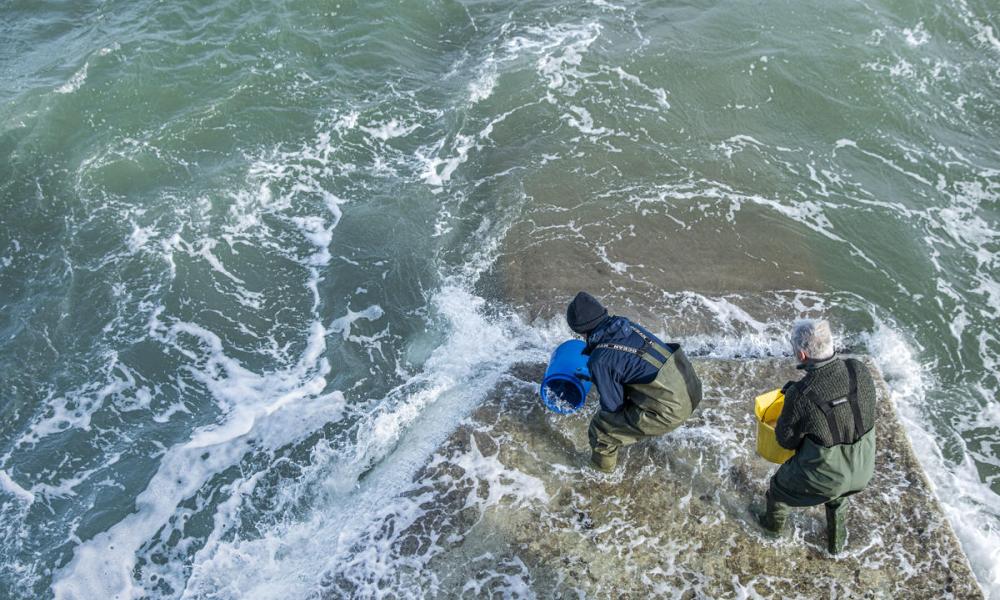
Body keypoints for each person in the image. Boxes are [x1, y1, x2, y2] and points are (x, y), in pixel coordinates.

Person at [752, 319, 877, 554]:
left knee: (778, 491)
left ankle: (770, 532)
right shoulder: (857, 369)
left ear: (801, 354)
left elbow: (785, 441)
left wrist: (792, 402)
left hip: (827, 477)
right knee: (839, 492)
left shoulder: (800, 395)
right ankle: (836, 543)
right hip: (863, 467)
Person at [565, 291, 703, 473]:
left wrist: (600, 377)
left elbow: (613, 407)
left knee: (602, 429)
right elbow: (627, 362)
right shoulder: (625, 325)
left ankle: (599, 475)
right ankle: (648, 425)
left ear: (580, 330)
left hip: (672, 411)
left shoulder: (600, 359)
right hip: (691, 387)